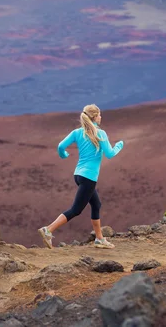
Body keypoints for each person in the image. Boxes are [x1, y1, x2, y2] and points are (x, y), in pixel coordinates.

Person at [38, 104, 124, 249]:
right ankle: (48, 230)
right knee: (76, 210)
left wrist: (63, 155)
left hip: (78, 175)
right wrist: (119, 146)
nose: (101, 117)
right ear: (95, 117)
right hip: (89, 178)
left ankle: (99, 239)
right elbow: (109, 154)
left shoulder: (77, 132)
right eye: (99, 115)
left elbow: (60, 146)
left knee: (96, 204)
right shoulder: (100, 134)